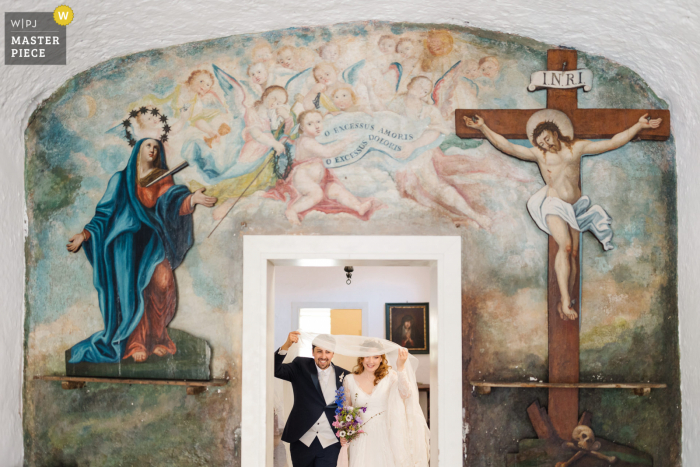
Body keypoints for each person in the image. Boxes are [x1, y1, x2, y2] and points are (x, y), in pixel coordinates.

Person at [465, 109, 663, 320]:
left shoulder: (576, 147)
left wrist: (639, 126)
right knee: (565, 246)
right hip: (554, 204)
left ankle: (564, 300)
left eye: (547, 139)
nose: (546, 145)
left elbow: (612, 142)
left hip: (574, 208)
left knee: (574, 254)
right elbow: (508, 146)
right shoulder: (539, 154)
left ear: (555, 132)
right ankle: (566, 301)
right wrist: (482, 128)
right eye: (541, 143)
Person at [66, 138, 217, 363]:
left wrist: (191, 199)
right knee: (134, 290)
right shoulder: (121, 179)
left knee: (163, 282)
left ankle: (156, 339)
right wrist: (84, 235)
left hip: (153, 240)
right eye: (148, 146)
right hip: (126, 246)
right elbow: (104, 214)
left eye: (156, 147)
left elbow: (172, 200)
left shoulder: (162, 178)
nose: (153, 150)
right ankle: (136, 342)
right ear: (138, 150)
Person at [274, 331, 350, 467]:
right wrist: (287, 345)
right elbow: (276, 369)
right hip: (302, 440)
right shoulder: (300, 366)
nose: (323, 356)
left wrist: (347, 431)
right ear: (312, 352)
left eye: (328, 352)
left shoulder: (345, 375)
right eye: (319, 351)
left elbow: (350, 406)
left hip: (331, 442)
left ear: (333, 353)